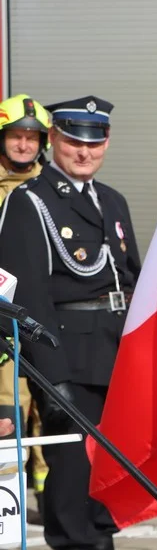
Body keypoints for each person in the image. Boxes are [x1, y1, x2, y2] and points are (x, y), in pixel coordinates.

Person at [0, 96, 157, 550]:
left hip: (115, 357)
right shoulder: (31, 202)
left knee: (108, 473)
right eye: (73, 140)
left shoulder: (111, 201)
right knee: (71, 475)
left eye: (95, 142)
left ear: (107, 144)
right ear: (53, 143)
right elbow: (23, 300)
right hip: (68, 358)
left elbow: (132, 279)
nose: (84, 151)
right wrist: (52, 381)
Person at [0, 93, 52, 519]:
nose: (23, 145)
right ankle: (9, 503)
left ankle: (48, 492)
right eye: (15, 136)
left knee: (47, 406)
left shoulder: (50, 189)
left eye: (31, 137)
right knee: (8, 408)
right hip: (3, 319)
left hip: (42, 316)